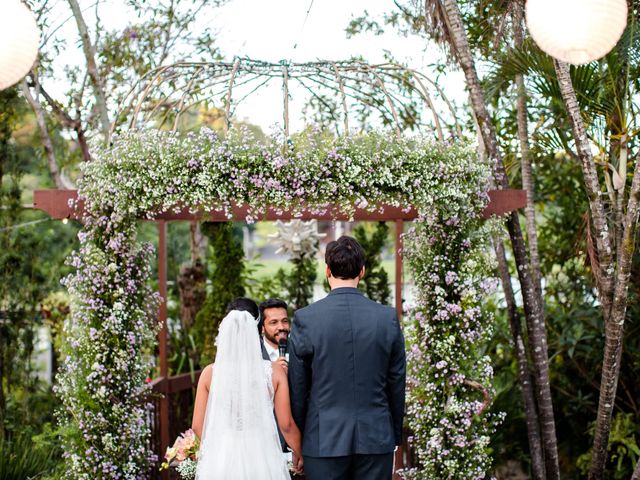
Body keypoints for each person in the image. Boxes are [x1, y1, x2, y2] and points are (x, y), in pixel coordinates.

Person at [288, 236, 406, 480]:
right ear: (362, 271)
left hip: (323, 438)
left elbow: (297, 388)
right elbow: (397, 383)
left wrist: (301, 439)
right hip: (376, 436)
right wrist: (393, 435)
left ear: (328, 270)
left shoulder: (306, 319)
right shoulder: (387, 318)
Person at [191, 302, 304, 478]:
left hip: (221, 461)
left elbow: (198, 426)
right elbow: (286, 425)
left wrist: (220, 451)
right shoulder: (274, 372)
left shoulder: (209, 374)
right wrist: (300, 452)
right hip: (262, 457)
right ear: (258, 330)